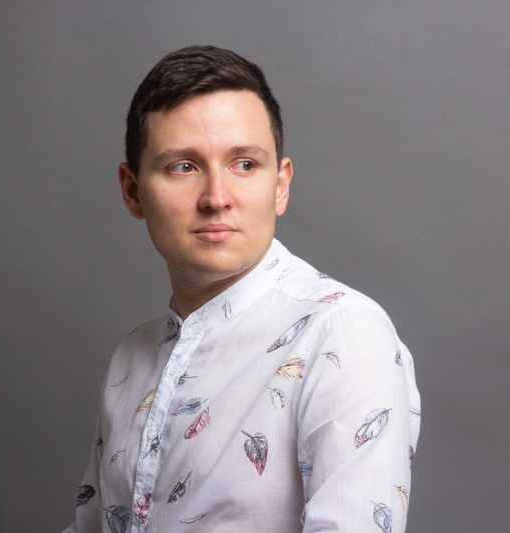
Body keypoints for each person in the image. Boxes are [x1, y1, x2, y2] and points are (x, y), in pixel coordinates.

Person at [63, 45, 420, 533]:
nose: (216, 198)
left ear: (280, 185)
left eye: (245, 164)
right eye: (183, 166)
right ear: (132, 191)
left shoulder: (343, 334)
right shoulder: (133, 355)